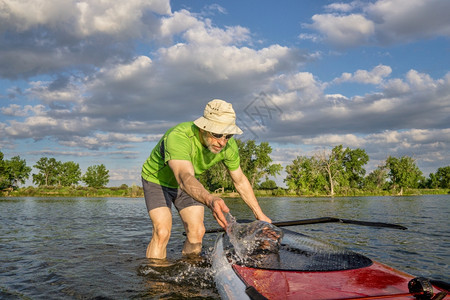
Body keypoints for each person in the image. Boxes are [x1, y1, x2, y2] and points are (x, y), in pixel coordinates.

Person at [141, 99, 271, 259]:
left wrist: (260, 215)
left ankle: (189, 271)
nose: (222, 142)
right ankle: (154, 280)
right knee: (162, 232)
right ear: (203, 128)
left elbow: (240, 181)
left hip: (189, 184)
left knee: (197, 231)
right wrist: (210, 199)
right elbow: (183, 176)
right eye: (217, 134)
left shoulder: (229, 147)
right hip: (157, 181)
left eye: (228, 135)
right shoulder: (179, 136)